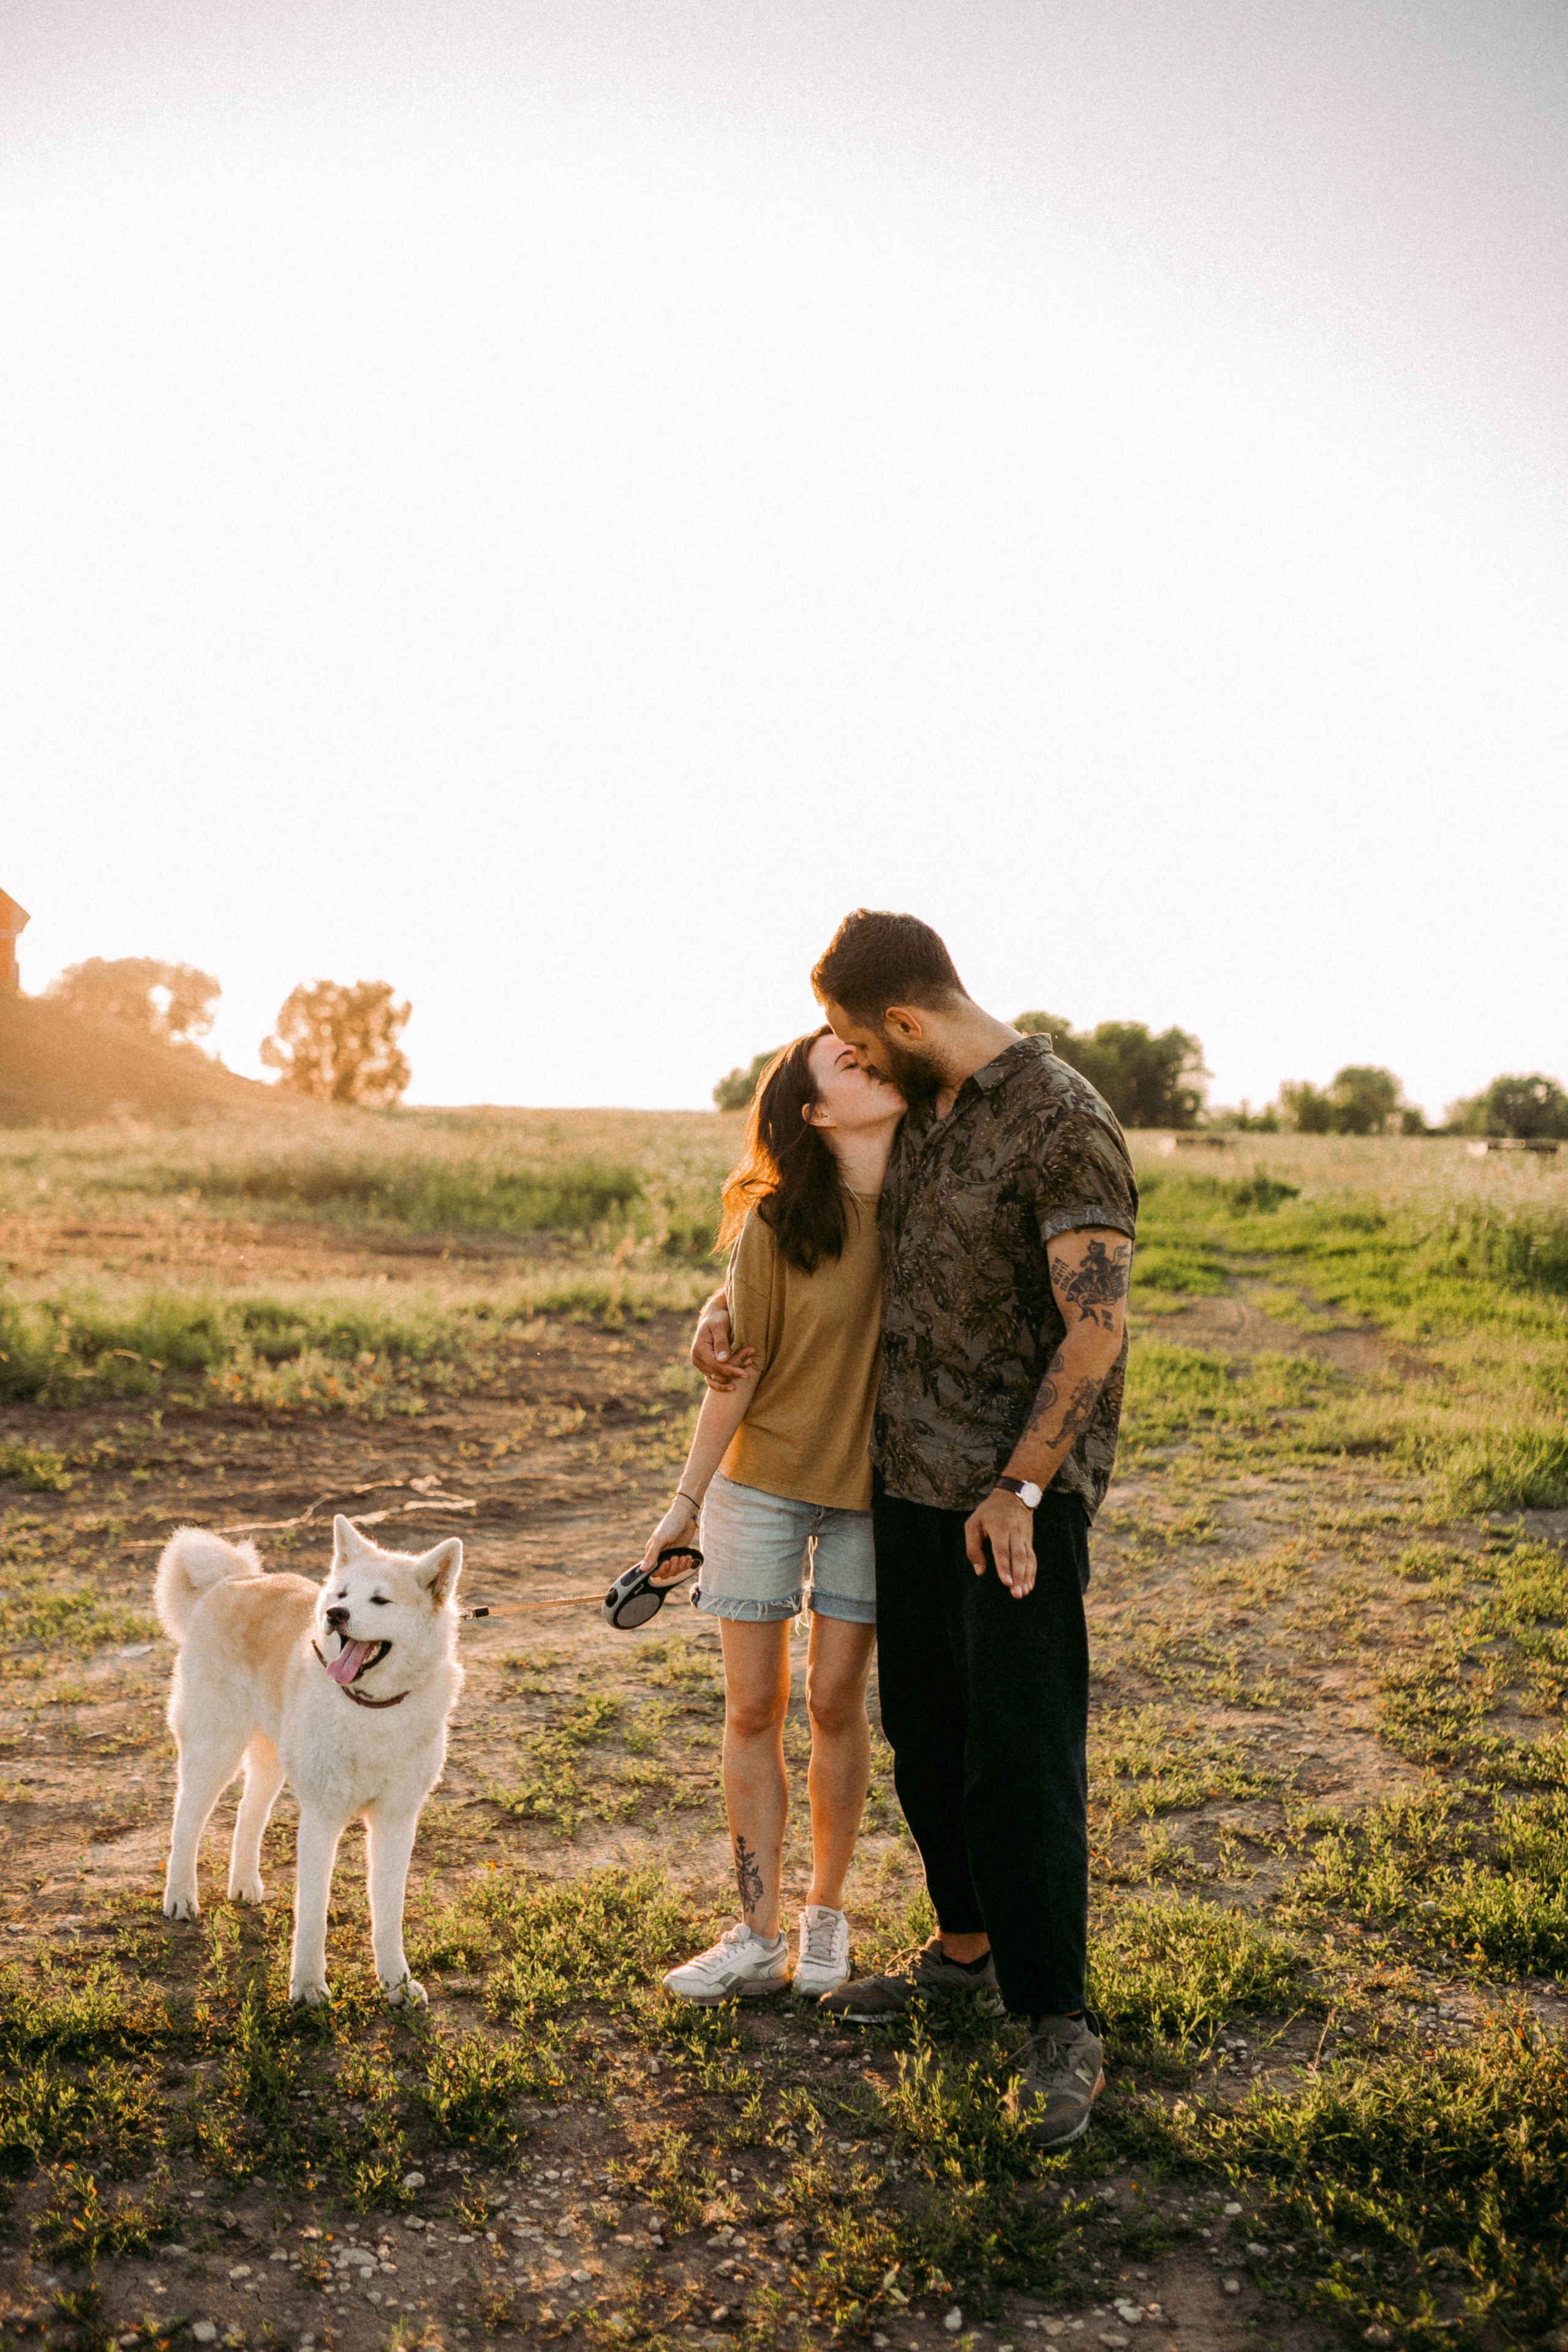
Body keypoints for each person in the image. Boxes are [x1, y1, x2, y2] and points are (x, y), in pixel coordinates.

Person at [693, 910, 1136, 2146]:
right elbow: (823, 1224)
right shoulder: (927, 1111)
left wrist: (1022, 1487)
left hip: (1010, 1509)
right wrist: (715, 1311)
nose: (845, 1058)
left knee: (1017, 1759)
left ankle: (1057, 2022)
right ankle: (962, 1949)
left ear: (897, 1021)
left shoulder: (1063, 1122)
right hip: (904, 1487)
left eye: (847, 1037)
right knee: (922, 1739)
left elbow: (1091, 1328)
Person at [639, 1025, 905, 2004]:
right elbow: (735, 1378)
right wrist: (685, 1507)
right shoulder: (776, 1221)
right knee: (754, 1708)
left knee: (837, 1704)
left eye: (872, 1048)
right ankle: (755, 1935)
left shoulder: (935, 1199)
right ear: (816, 1112)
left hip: (872, 1496)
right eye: (846, 1058)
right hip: (759, 1487)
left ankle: (824, 1919)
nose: (868, 1056)